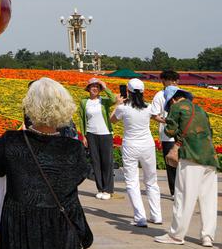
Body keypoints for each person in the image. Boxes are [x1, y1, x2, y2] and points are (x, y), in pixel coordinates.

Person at [0, 78, 93, 249]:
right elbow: (73, 192)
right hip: (60, 226)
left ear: (29, 106)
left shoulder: (11, 141)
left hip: (20, 226)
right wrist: (84, 236)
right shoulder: (73, 148)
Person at [154, 88, 217, 247]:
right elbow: (210, 131)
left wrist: (165, 120)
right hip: (209, 157)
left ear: (172, 100)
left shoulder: (176, 107)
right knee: (208, 199)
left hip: (190, 156)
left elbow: (170, 131)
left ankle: (176, 235)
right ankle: (207, 236)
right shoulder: (200, 109)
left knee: (183, 196)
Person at [111, 78, 161, 227]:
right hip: (147, 145)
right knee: (151, 181)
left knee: (133, 182)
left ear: (128, 91)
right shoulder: (149, 107)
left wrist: (117, 104)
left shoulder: (123, 108)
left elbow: (112, 120)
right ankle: (156, 215)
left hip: (130, 146)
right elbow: (157, 117)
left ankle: (140, 217)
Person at [77, 77, 115, 200]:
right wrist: (84, 136)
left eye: (97, 87)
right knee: (95, 162)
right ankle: (100, 188)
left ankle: (108, 189)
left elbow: (114, 99)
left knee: (107, 161)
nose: (95, 88)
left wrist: (105, 87)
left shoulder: (103, 101)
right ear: (88, 89)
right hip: (91, 134)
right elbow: (82, 120)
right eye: (92, 86)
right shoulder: (84, 102)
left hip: (105, 134)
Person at [148, 69, 181, 197]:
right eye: (170, 80)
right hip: (167, 135)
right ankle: (174, 192)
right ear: (163, 81)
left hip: (182, 134)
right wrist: (167, 121)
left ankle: (184, 189)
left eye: (175, 80)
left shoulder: (182, 94)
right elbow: (154, 115)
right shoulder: (159, 95)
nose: (174, 83)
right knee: (171, 164)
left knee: (183, 163)